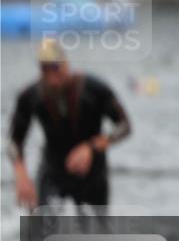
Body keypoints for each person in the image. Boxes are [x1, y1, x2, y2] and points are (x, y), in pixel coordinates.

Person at [8, 38, 131, 209]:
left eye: (55, 67)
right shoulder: (30, 96)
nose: (52, 76)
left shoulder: (94, 89)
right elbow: (15, 141)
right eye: (45, 69)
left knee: (95, 232)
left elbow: (124, 126)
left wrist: (92, 147)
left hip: (92, 170)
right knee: (41, 227)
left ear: (65, 63)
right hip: (53, 168)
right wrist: (21, 175)